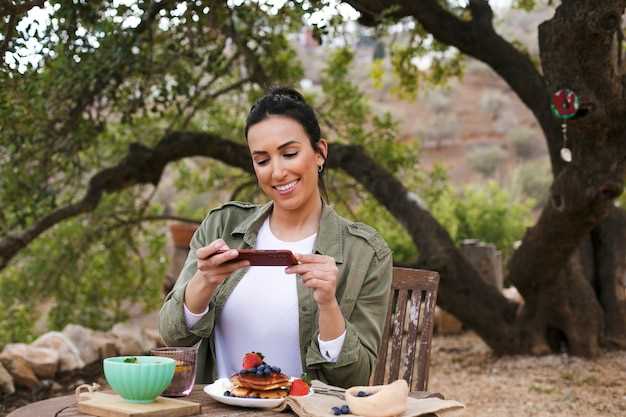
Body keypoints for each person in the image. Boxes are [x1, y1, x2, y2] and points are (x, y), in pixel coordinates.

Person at [159, 87, 393, 388]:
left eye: (289, 154)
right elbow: (172, 335)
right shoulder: (222, 226)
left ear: (320, 153)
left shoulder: (366, 253)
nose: (277, 172)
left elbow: (355, 379)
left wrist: (328, 305)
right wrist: (204, 282)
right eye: (262, 160)